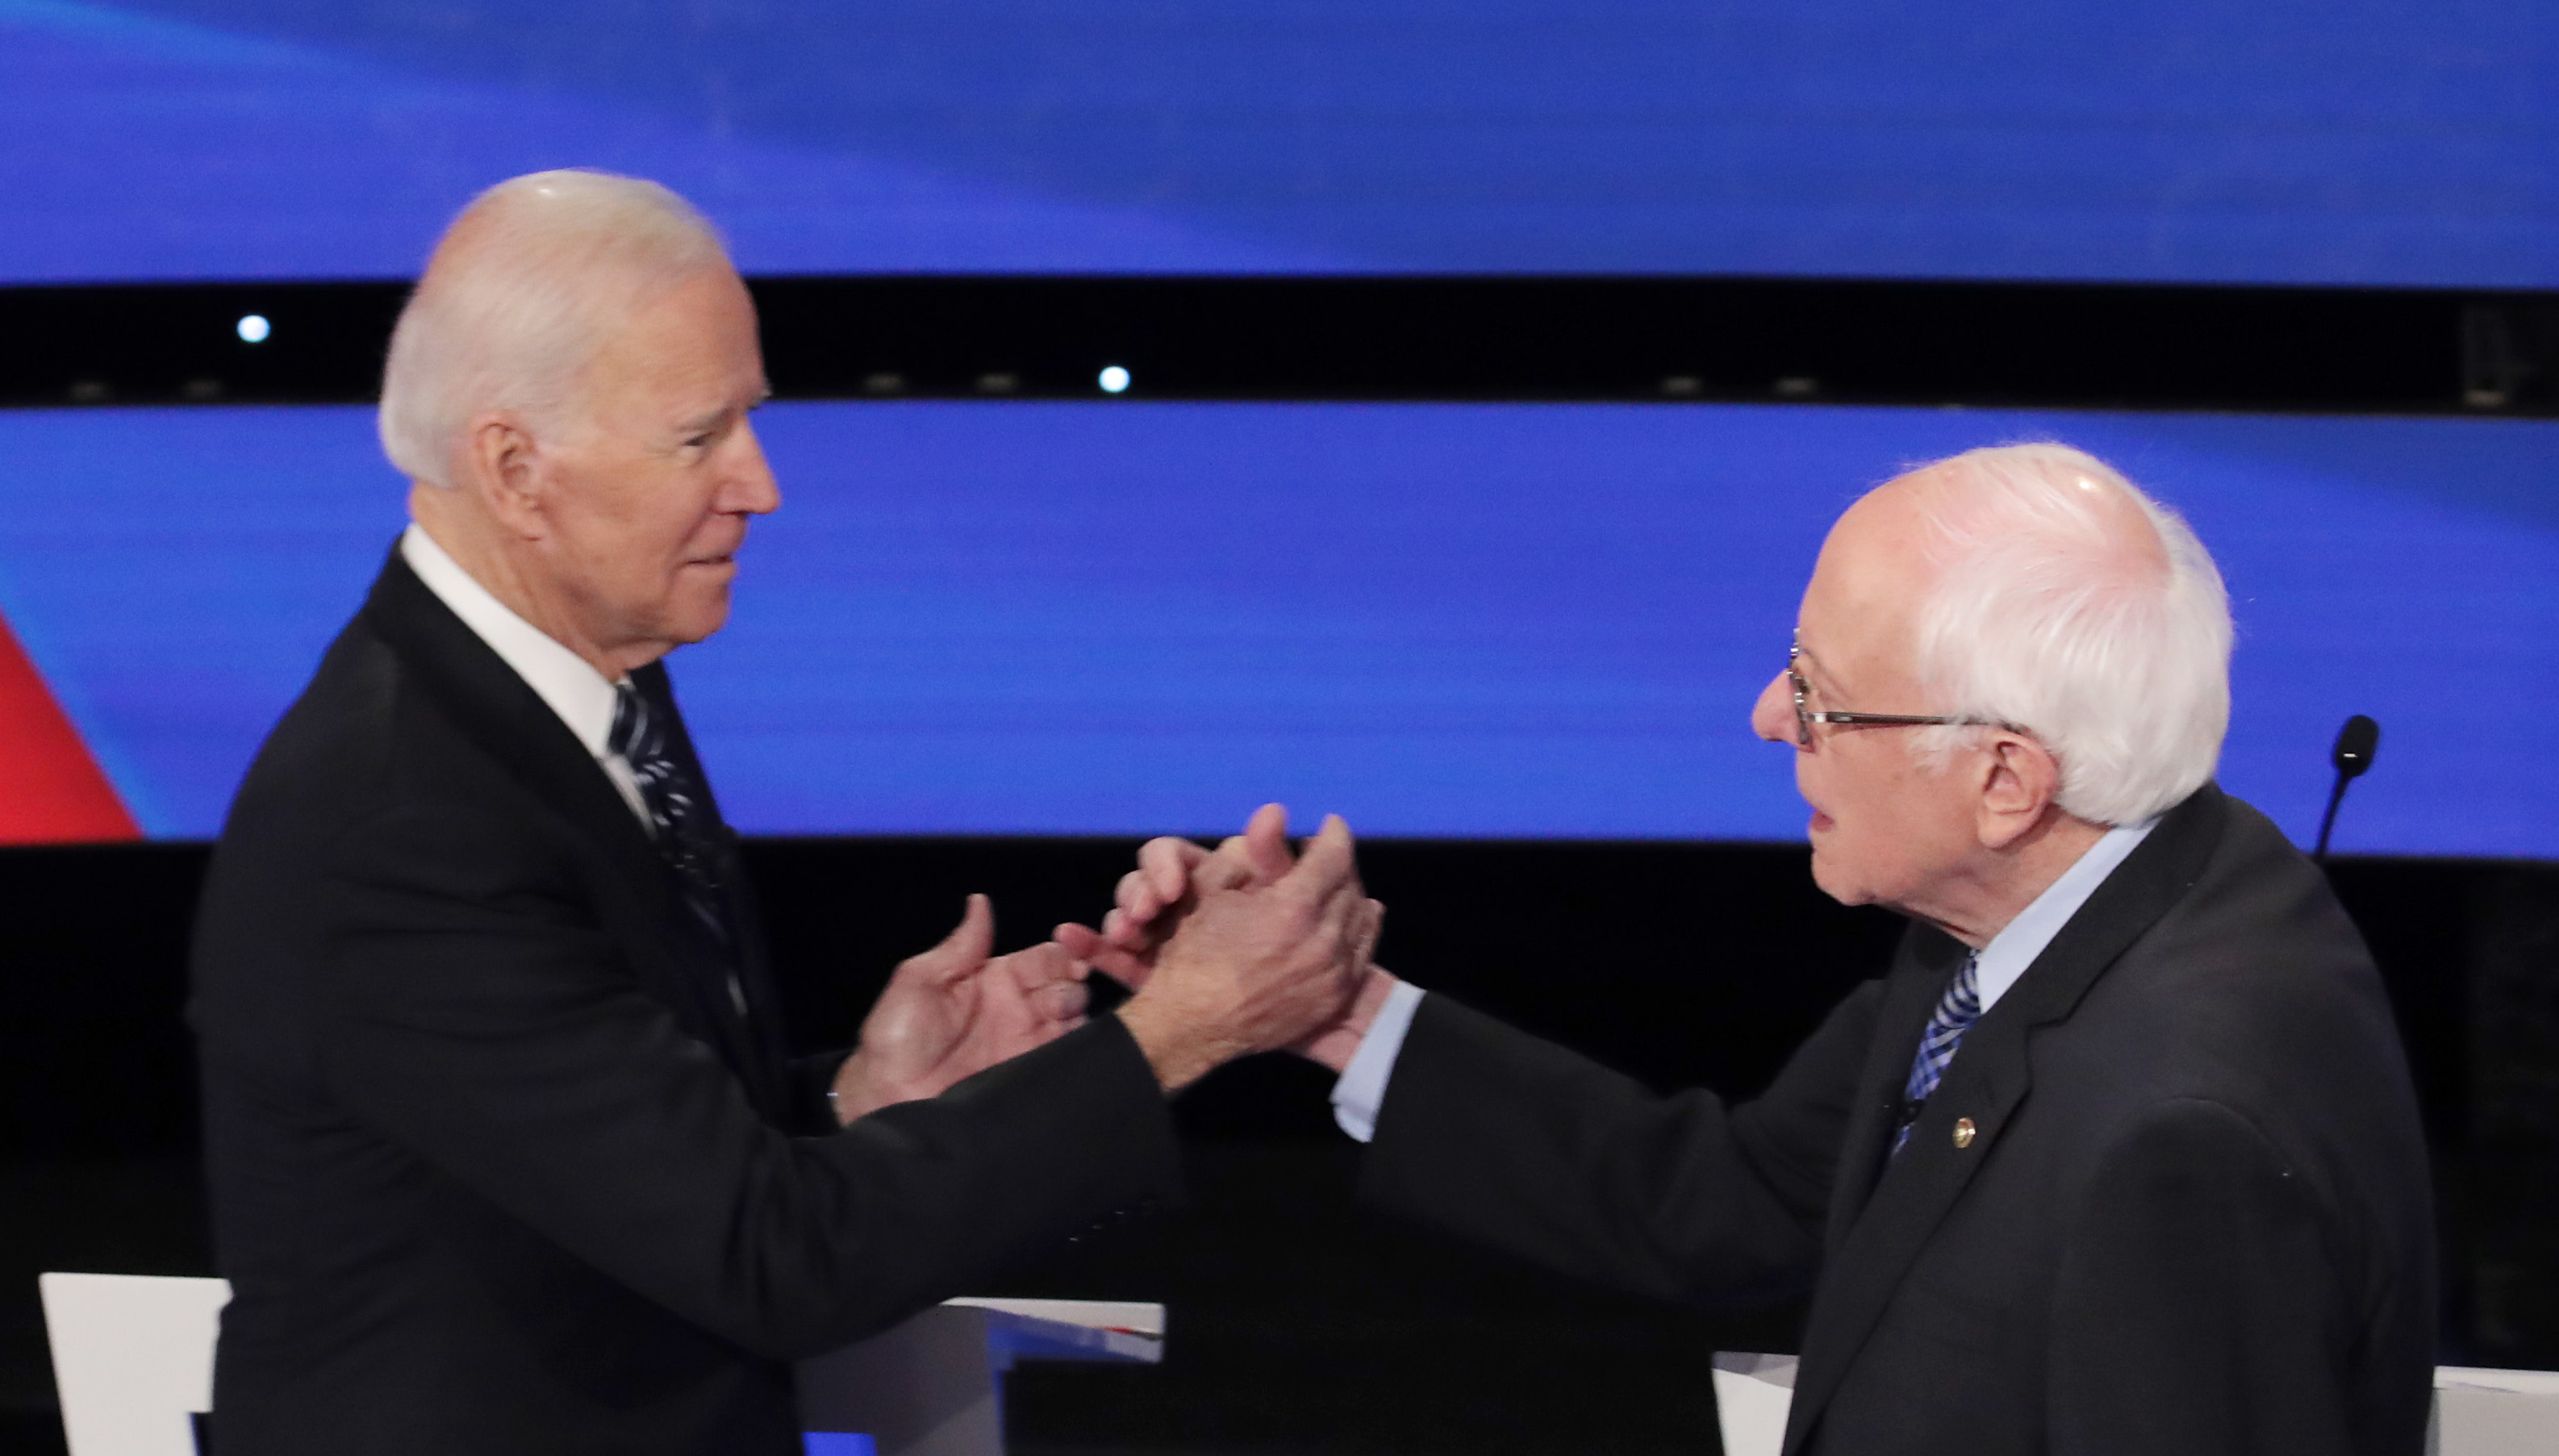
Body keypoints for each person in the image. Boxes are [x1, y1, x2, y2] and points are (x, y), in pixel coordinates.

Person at [188, 170, 1379, 1456]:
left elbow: (629, 1163)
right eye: (699, 437)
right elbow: (771, 1258)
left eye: (748, 420)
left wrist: (868, 1099)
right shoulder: (403, 821)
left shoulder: (581, 694)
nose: (760, 484)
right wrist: (1181, 1028)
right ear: (516, 470)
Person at [1078, 444, 2437, 1455]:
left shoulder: (2177, 1129)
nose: (1768, 716)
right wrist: (1328, 1007)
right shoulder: (2074, 898)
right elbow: (1732, 1197)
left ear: (2007, 777)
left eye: (1823, 694)